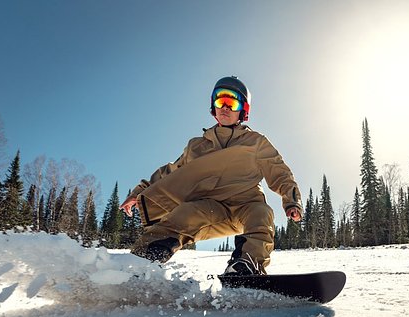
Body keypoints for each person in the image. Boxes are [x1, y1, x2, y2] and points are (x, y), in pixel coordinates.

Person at [119, 76, 302, 275]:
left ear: (243, 110)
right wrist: (138, 192)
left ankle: (246, 267)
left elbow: (279, 171)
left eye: (232, 103)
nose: (225, 108)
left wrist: (292, 201)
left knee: (262, 213)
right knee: (185, 214)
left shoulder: (255, 142)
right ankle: (139, 264)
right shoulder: (197, 146)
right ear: (213, 106)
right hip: (210, 207)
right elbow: (170, 171)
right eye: (220, 101)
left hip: (246, 204)